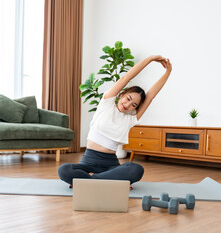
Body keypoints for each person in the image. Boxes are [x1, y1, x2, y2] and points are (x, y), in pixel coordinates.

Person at [58, 55, 172, 187]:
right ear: (122, 94)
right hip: (87, 162)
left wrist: (167, 72)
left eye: (134, 105)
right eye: (128, 99)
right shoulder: (107, 102)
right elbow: (126, 78)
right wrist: (150, 59)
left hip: (111, 165)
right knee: (64, 170)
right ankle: (109, 181)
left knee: (136, 169)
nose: (128, 105)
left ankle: (88, 181)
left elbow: (150, 96)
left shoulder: (131, 118)